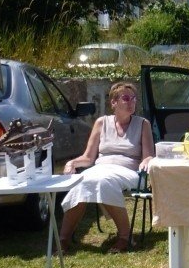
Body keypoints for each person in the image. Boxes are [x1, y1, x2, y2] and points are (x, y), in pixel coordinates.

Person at [59, 81, 155, 254]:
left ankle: (125, 237)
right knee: (80, 182)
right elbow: (88, 157)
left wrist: (147, 160)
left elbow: (148, 155)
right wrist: (72, 163)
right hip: (100, 168)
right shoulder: (101, 123)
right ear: (113, 102)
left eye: (133, 98)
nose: (131, 102)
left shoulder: (143, 124)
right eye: (126, 98)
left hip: (128, 172)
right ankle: (63, 239)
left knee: (104, 181)